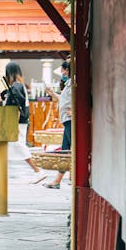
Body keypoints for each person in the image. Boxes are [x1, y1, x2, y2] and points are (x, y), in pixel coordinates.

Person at [0, 61, 45, 183]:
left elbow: (16, 103)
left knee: (17, 146)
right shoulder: (19, 85)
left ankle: (38, 171)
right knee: (6, 146)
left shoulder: (16, 86)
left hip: (16, 122)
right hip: (19, 121)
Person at [44, 60, 72, 189]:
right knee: (66, 150)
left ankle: (58, 180)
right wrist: (52, 94)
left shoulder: (73, 84)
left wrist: (75, 111)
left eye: (64, 71)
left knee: (67, 150)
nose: (62, 73)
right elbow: (64, 100)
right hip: (66, 120)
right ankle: (58, 180)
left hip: (71, 120)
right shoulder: (68, 84)